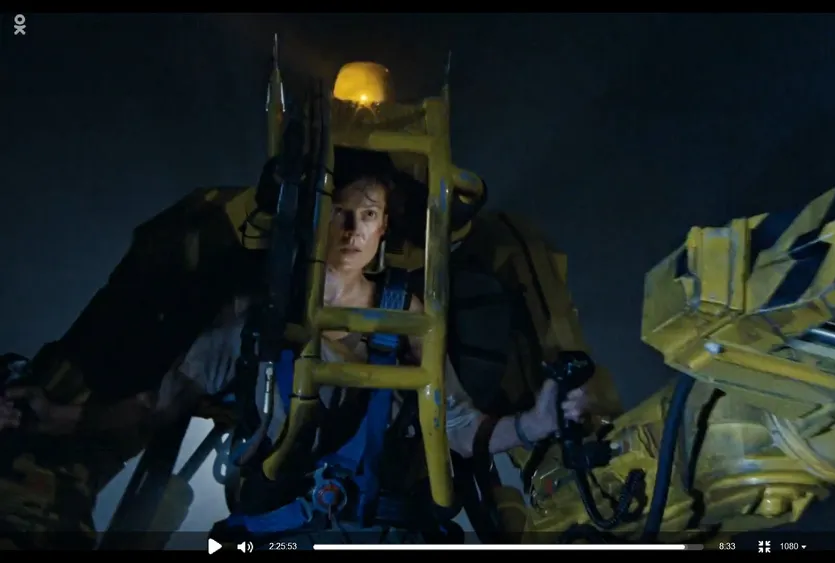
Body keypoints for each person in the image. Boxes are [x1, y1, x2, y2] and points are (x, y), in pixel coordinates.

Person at [1, 153, 589, 545]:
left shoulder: (407, 315)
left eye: (368, 215)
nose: (351, 230)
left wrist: (534, 424)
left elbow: (458, 427)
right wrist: (59, 416)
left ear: (385, 227)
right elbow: (154, 407)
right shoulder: (257, 318)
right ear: (314, 218)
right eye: (339, 213)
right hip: (274, 537)